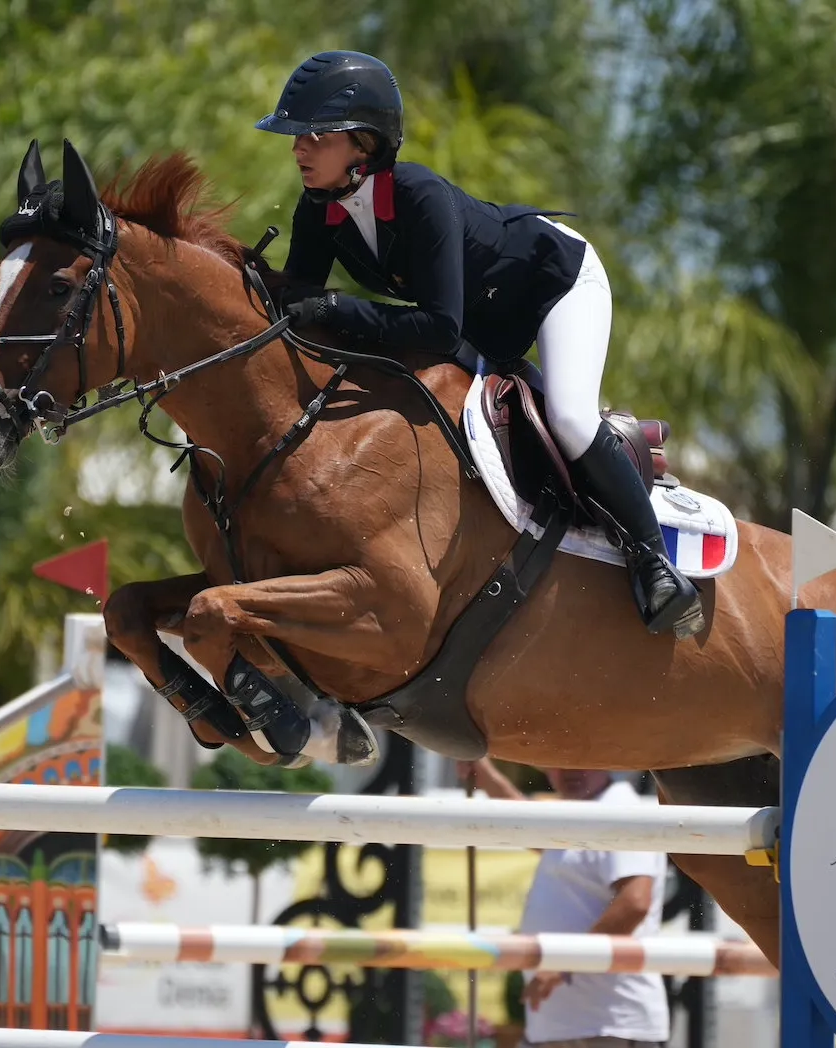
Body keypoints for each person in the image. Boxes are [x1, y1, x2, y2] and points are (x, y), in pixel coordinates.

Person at [255, 50, 704, 641]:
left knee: (569, 417)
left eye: (314, 135)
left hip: (555, 285)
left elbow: (439, 328)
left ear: (361, 144)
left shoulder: (418, 196)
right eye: (297, 136)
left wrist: (339, 308)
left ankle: (656, 565)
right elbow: (302, 306)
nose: (298, 149)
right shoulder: (319, 210)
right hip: (484, 326)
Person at [456, 758, 672, 1048]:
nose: (570, 770)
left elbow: (635, 902)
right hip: (570, 1025)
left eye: (580, 760)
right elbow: (522, 823)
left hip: (610, 1026)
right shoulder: (581, 813)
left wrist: (563, 964)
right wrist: (485, 774)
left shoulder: (619, 810)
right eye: (558, 762)